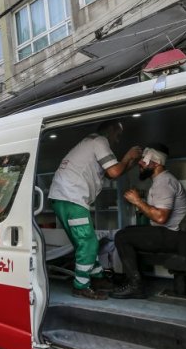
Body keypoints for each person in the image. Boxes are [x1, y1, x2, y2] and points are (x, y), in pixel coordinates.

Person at [48, 122, 142, 300]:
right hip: (71, 198)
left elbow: (110, 172)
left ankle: (97, 278)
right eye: (118, 135)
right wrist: (127, 155)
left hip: (65, 198)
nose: (117, 140)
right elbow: (114, 172)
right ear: (111, 130)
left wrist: (129, 162)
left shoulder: (89, 143)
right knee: (89, 243)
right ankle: (80, 286)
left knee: (85, 242)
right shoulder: (100, 141)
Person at [112, 144, 186, 299]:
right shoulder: (162, 180)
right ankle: (134, 278)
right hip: (176, 235)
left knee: (122, 236)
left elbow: (161, 217)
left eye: (144, 160)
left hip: (172, 236)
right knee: (128, 231)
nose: (140, 163)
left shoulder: (164, 183)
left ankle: (136, 285)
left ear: (156, 163)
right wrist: (140, 204)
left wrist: (138, 202)